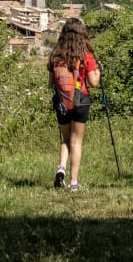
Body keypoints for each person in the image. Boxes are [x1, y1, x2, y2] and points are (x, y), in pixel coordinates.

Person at [47, 17, 101, 191]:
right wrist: (98, 71)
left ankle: (61, 167)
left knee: (66, 139)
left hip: (62, 102)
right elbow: (93, 82)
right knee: (76, 142)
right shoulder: (86, 54)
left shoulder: (55, 54)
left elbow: (51, 84)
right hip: (81, 100)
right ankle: (74, 182)